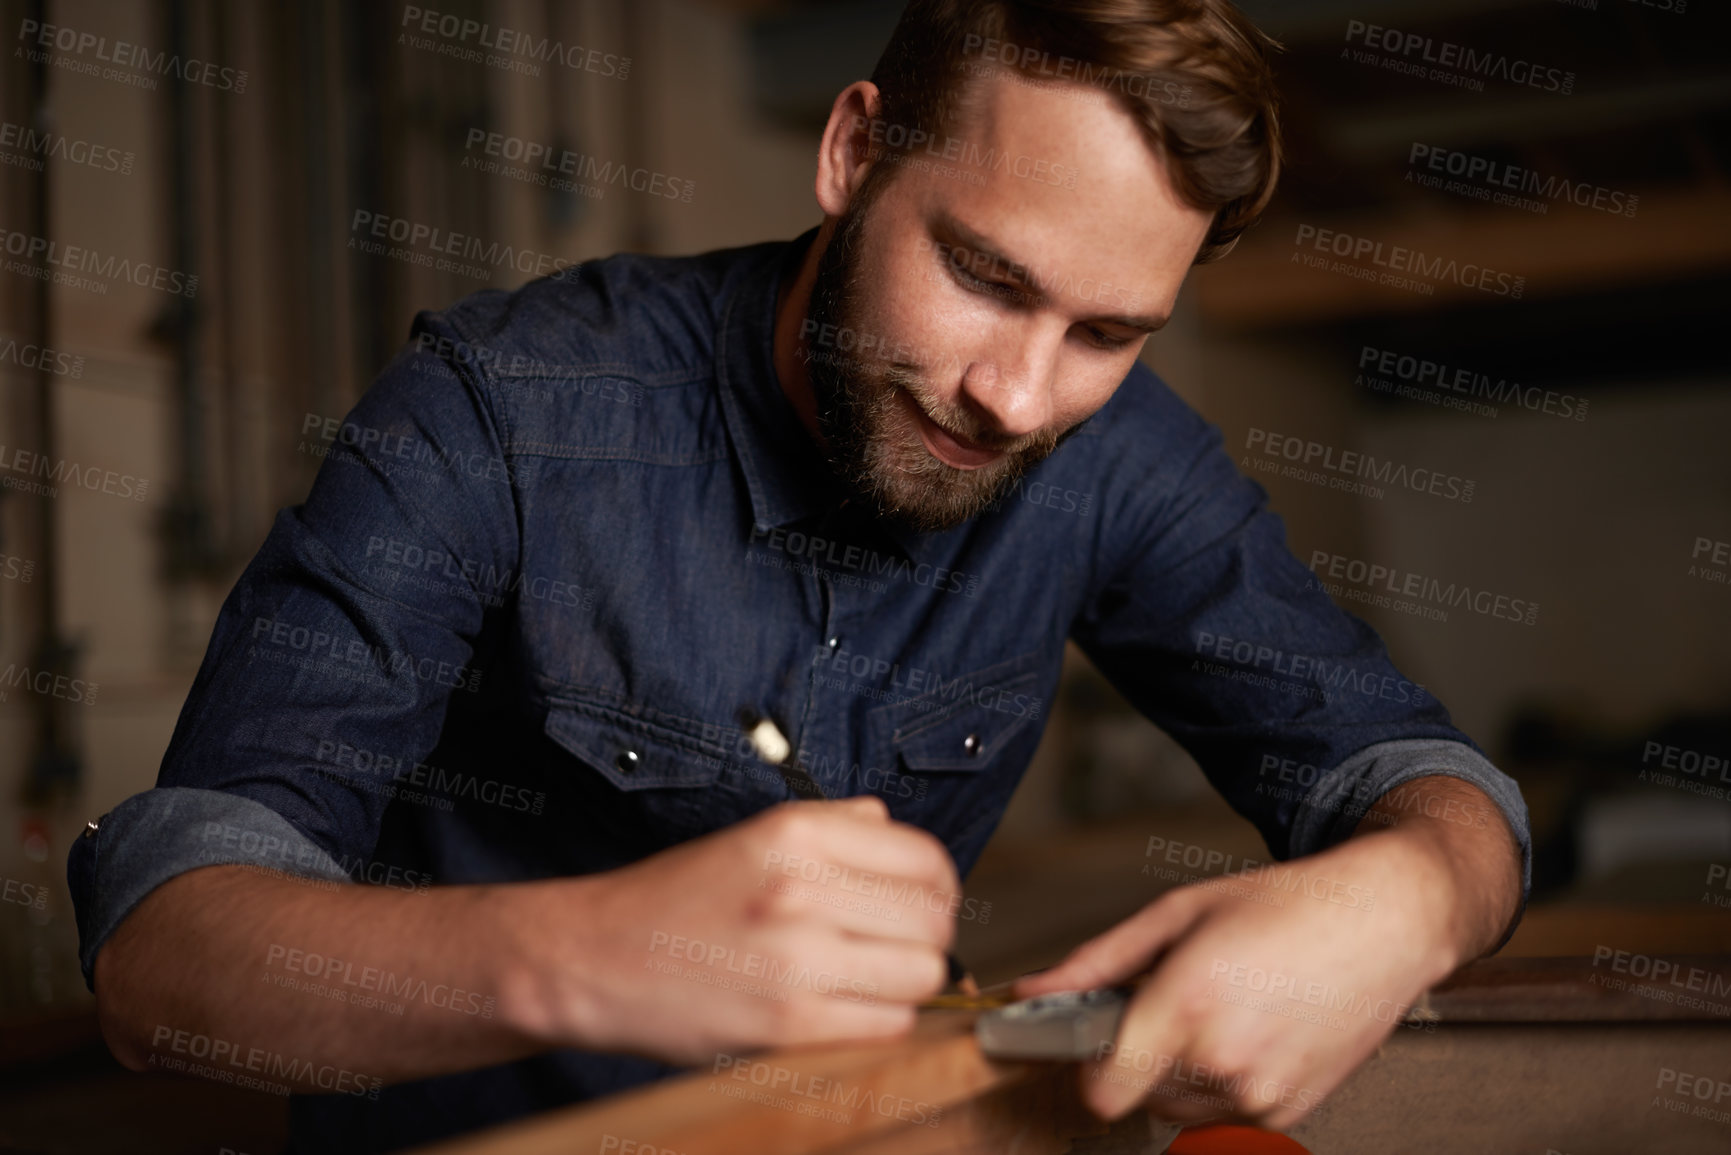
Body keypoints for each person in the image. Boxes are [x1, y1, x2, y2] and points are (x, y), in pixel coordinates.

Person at [70, 0, 1528, 1150]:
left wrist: (1416, 895)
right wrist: (588, 954)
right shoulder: (499, 409)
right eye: (987, 277)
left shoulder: (1122, 460)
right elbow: (164, 959)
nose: (1017, 398)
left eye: (1108, 333)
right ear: (853, 153)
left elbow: (1407, 770)